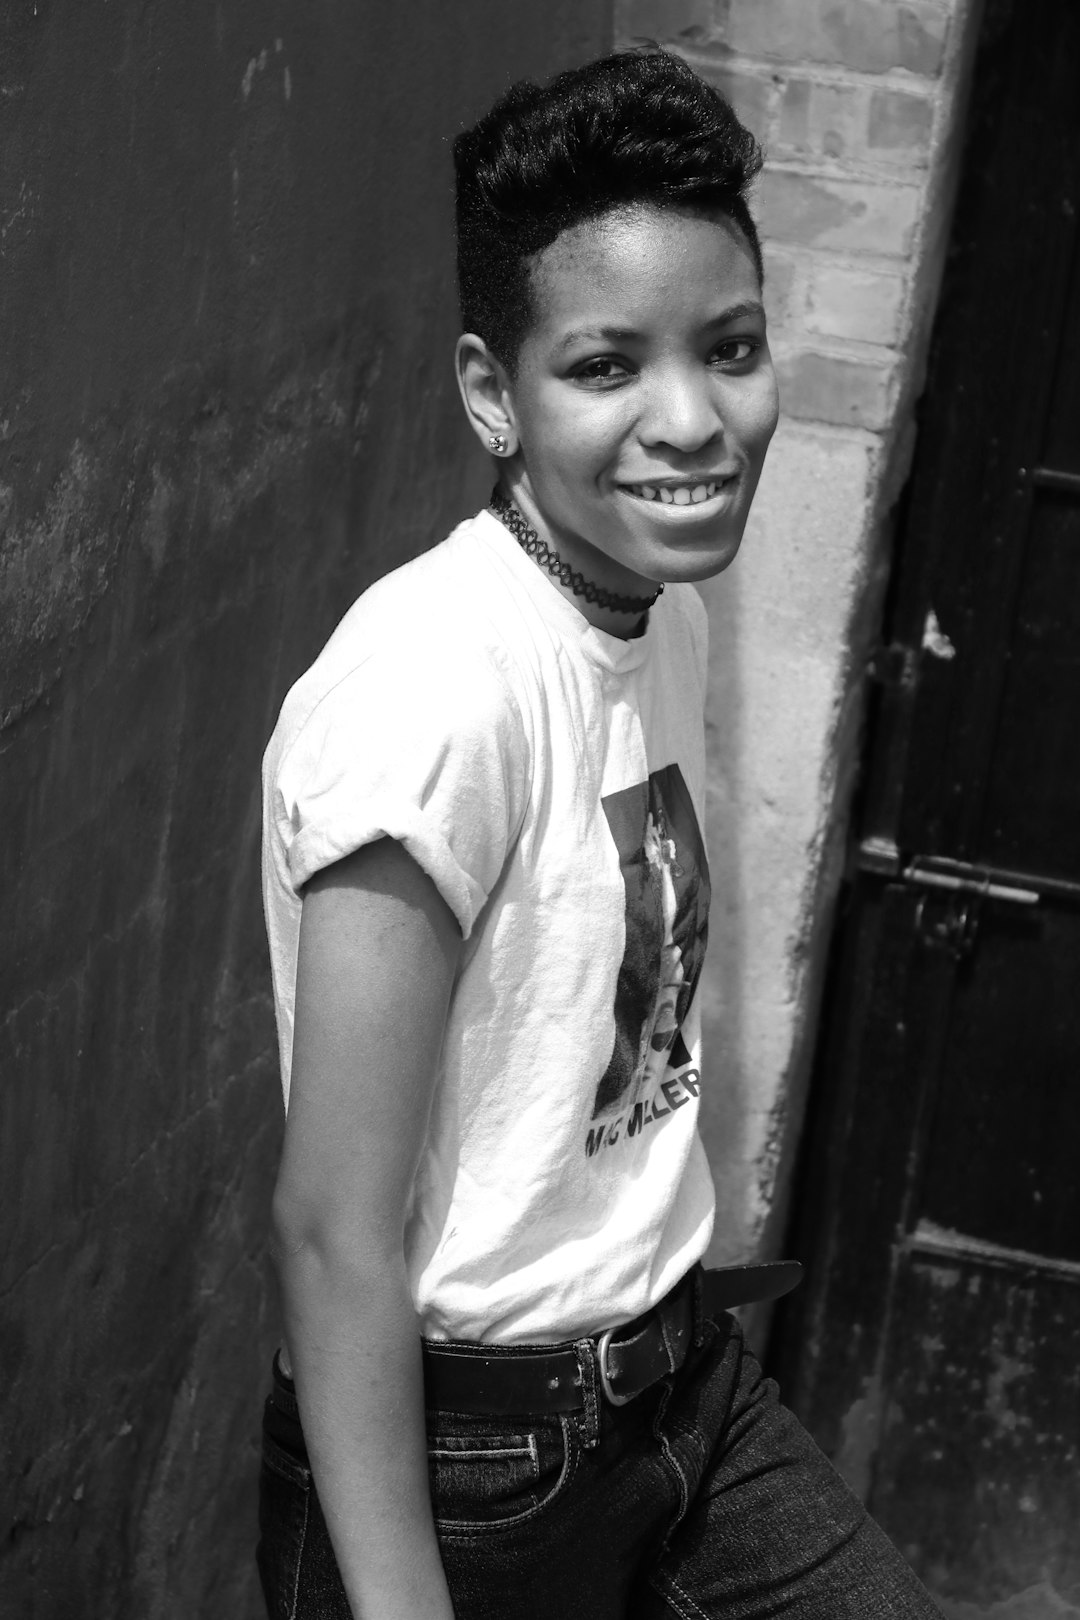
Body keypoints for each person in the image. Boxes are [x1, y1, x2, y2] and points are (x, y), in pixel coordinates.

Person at [257, 48, 939, 1620]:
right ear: (494, 393)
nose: (692, 422)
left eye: (733, 348)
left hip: (684, 1387)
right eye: (607, 366)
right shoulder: (434, 695)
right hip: (473, 1462)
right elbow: (332, 1227)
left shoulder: (653, 601)